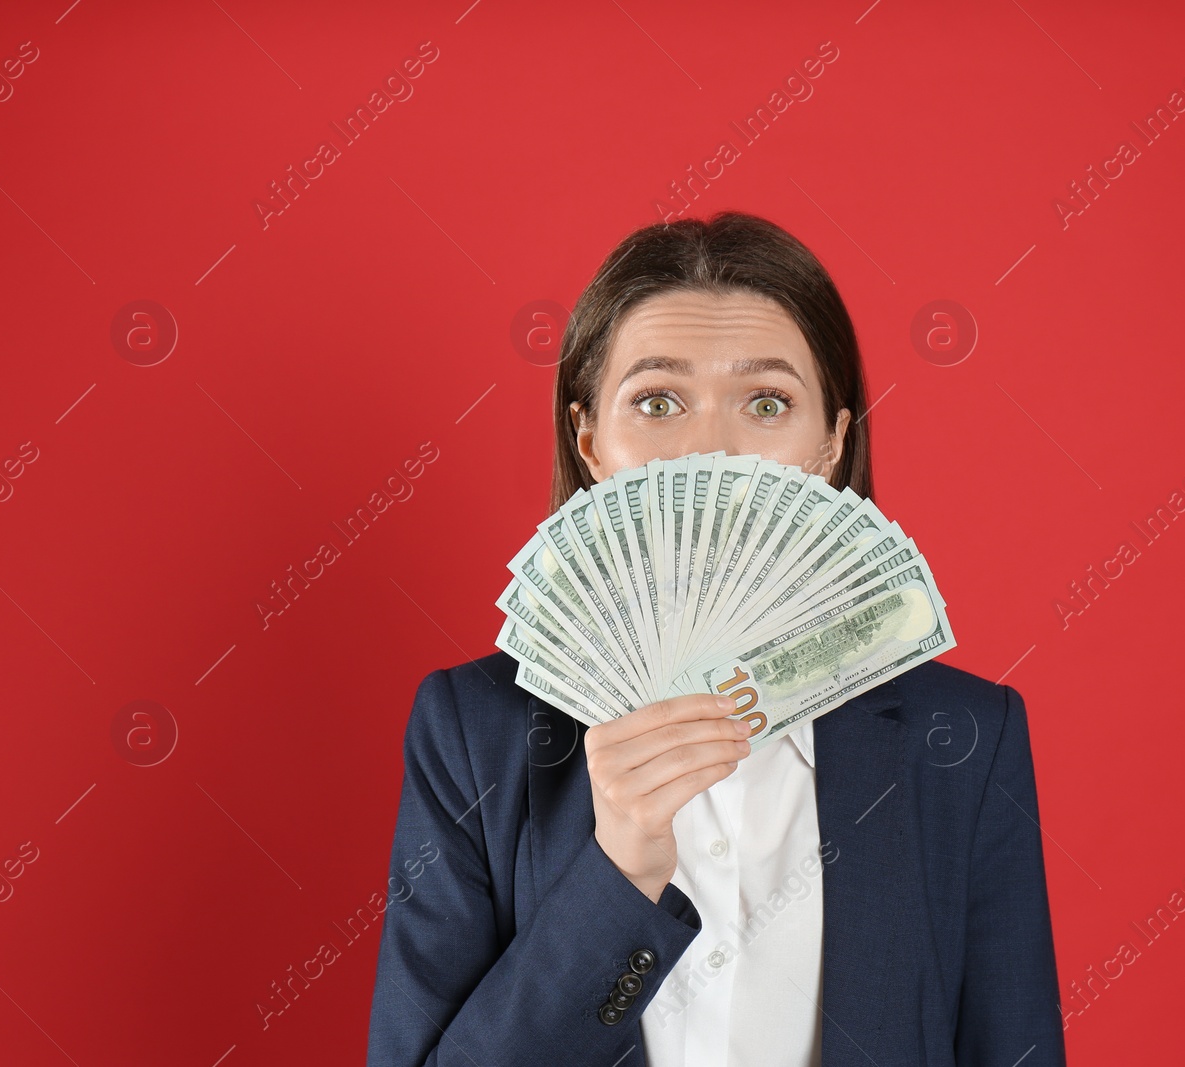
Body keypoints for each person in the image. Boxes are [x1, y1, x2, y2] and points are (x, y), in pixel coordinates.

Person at [365, 212, 1066, 1065]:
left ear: (831, 447)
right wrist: (617, 873)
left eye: (767, 402)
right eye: (658, 401)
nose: (713, 452)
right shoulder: (471, 732)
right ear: (591, 443)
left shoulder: (965, 742)